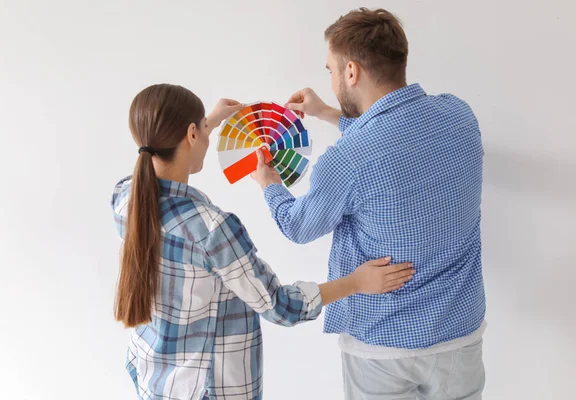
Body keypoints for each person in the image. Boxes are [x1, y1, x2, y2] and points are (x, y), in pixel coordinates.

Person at [111, 83, 415, 400]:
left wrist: (208, 122)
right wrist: (356, 282)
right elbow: (280, 306)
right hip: (209, 390)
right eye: (202, 129)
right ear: (190, 135)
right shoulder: (213, 229)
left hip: (156, 378)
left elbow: (167, 165)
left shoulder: (126, 197)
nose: (207, 132)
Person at [251, 8, 486, 400]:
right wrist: (327, 113)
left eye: (330, 69)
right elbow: (398, 133)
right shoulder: (460, 115)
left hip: (383, 346)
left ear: (351, 72)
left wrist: (270, 184)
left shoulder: (347, 159)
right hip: (459, 335)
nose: (329, 78)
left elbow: (297, 226)